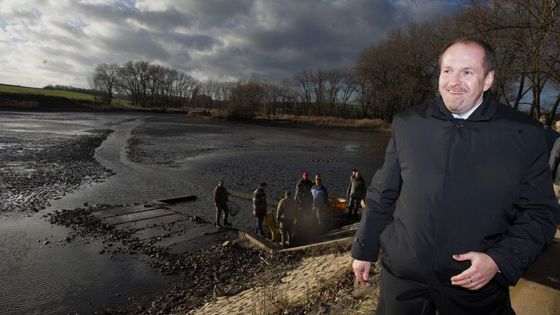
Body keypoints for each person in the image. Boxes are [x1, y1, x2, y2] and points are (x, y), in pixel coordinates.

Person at [351, 37, 559, 315]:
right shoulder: (408, 123)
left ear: (488, 79)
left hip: (474, 287)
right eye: (447, 71)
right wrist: (364, 249)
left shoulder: (525, 135)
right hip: (403, 278)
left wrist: (499, 260)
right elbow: (381, 194)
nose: (453, 81)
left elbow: (541, 214)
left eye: (467, 72)